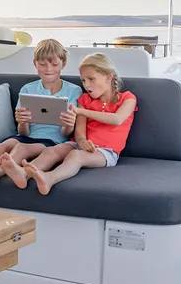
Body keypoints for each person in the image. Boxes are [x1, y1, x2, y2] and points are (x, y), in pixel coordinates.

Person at [0, 38, 81, 191]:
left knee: (22, 148)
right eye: (43, 64)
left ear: (63, 63)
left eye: (54, 64)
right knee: (5, 145)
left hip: (52, 141)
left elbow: (66, 134)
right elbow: (23, 133)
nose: (48, 69)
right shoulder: (27, 89)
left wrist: (69, 124)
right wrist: (23, 122)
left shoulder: (74, 90)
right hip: (28, 136)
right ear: (35, 64)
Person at [17, 52, 137, 196]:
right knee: (52, 150)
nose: (86, 85)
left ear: (109, 76)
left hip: (106, 152)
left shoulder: (127, 98)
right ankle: (23, 173)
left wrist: (81, 111)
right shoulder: (84, 100)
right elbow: (79, 131)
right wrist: (82, 141)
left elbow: (117, 119)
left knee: (76, 156)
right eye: (83, 80)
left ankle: (49, 178)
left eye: (91, 79)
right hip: (79, 144)